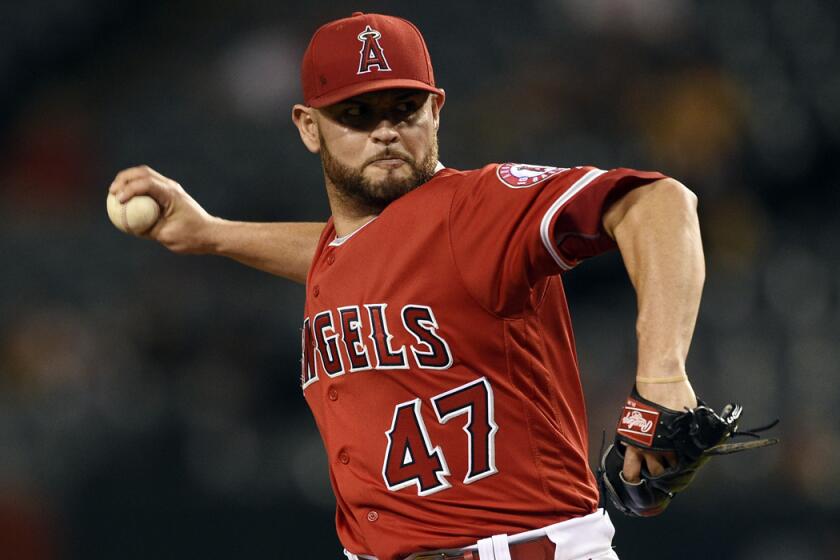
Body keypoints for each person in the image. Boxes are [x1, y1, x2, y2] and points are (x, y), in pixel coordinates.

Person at [108, 12, 703, 560]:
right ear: (308, 127)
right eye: (357, 114)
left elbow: (657, 201)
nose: (386, 131)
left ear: (436, 110)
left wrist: (662, 376)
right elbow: (348, 255)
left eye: (403, 108)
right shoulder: (352, 251)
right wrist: (213, 233)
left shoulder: (478, 209)